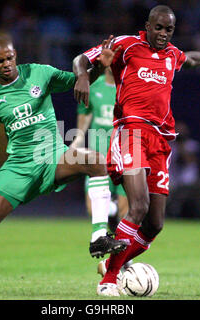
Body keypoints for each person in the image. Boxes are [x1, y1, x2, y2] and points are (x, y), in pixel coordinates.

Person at [73, 5, 200, 296]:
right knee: (138, 206)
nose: (162, 34)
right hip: (130, 132)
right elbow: (81, 58)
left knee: (155, 223)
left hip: (160, 141)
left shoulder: (173, 54)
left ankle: (115, 263)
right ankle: (108, 280)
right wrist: (84, 76)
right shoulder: (126, 44)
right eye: (157, 27)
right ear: (147, 25)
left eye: (168, 29)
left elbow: (192, 59)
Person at [0, 35, 127, 293]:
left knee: (95, 162)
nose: (6, 64)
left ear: (16, 54)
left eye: (10, 58)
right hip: (19, 166)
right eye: (0, 60)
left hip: (53, 156)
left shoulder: (39, 73)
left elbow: (77, 82)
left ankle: (98, 238)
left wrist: (100, 67)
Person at [70, 67, 129, 233]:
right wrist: (78, 139)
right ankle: (111, 209)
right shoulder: (93, 86)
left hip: (126, 155)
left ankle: (123, 253)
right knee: (93, 209)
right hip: (99, 156)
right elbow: (85, 113)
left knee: (125, 211)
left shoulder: (129, 87)